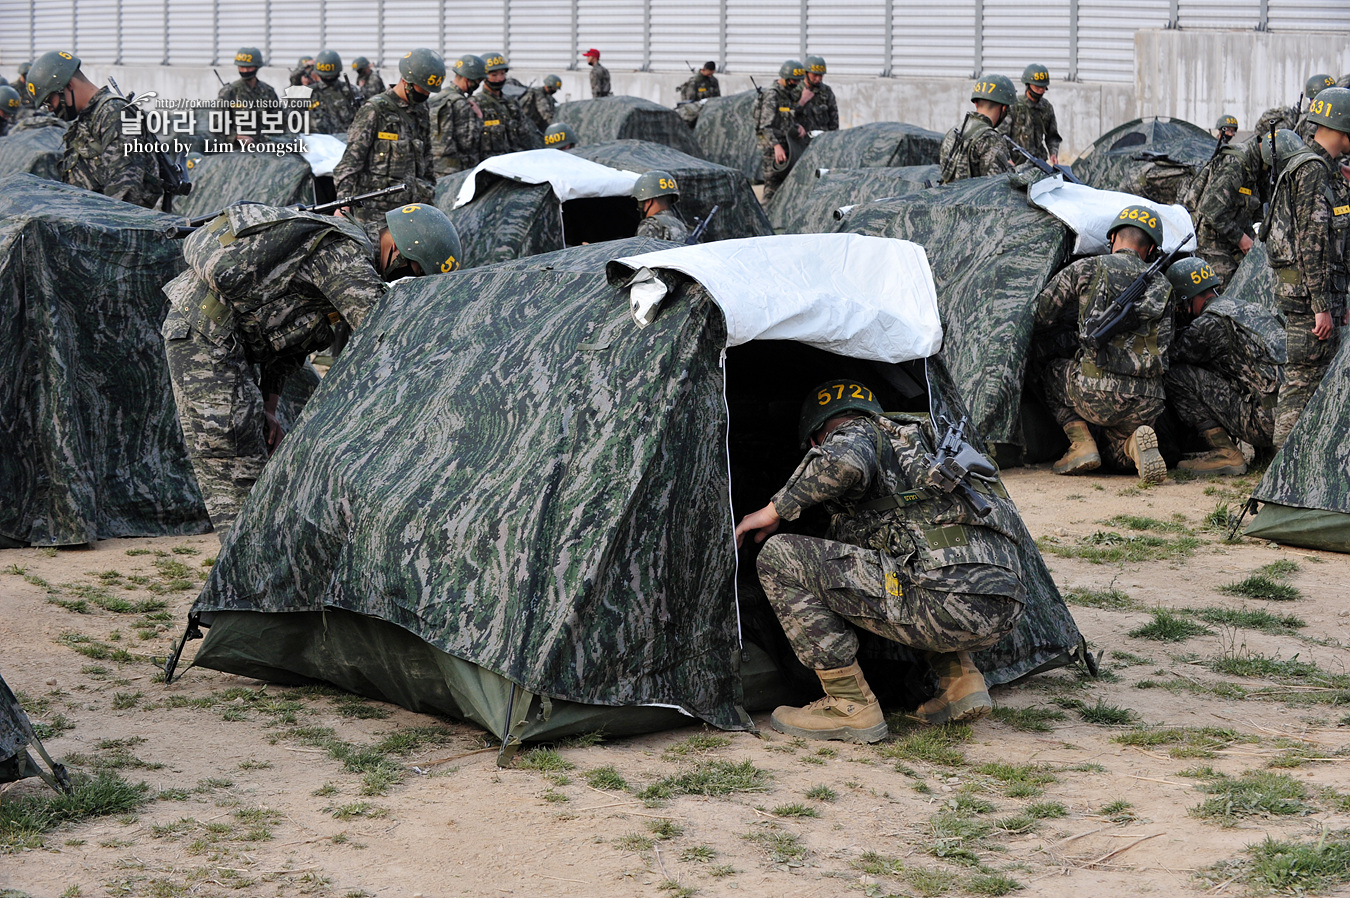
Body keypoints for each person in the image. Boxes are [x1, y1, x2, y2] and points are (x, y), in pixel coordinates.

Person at [734, 380, 1027, 742]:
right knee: (915, 565)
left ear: (814, 441)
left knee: (780, 555)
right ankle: (961, 680)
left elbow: (843, 463)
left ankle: (849, 703)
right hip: (1007, 606)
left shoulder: (854, 433)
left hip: (942, 606)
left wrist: (774, 509)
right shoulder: (929, 437)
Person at [162, 202, 462, 539]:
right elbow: (383, 335)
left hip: (221, 338)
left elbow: (288, 343)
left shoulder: (348, 259)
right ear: (400, 251)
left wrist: (270, 407)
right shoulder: (345, 257)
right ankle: (249, 569)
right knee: (233, 460)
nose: (402, 281)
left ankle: (255, 559)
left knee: (248, 452)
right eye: (412, 273)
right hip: (205, 333)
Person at [1032, 204, 1174, 484]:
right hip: (1148, 400)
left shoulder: (1088, 267)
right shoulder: (1164, 287)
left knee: (1051, 372)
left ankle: (1080, 442)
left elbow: (1041, 313)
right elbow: (1168, 342)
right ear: (1151, 251)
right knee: (1116, 457)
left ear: (1112, 239)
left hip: (1095, 391)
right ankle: (1133, 445)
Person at [1261, 94, 1350, 446]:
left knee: (1316, 384)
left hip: (1320, 297)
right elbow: (1311, 243)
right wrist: (1321, 306)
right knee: (1300, 386)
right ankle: (1281, 478)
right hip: (1309, 303)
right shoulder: (1312, 170)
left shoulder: (1323, 170)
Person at [1164, 257, 1281, 476]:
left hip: (1263, 423)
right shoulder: (1250, 308)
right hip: (1288, 417)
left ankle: (1225, 452)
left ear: (1184, 299)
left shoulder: (1207, 324)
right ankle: (1267, 450)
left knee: (1176, 376)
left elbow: (1171, 357)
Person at [25, 50, 164, 209]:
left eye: (50, 101)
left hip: (111, 226)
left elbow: (125, 192)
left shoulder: (114, 113)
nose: (50, 109)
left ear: (68, 85)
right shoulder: (89, 117)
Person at [333, 48, 443, 222]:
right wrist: (343, 204)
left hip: (411, 210)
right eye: (423, 89)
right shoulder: (375, 110)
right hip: (376, 214)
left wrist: (429, 192)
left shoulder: (421, 110)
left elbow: (427, 157)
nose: (426, 95)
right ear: (406, 81)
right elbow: (349, 163)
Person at [1187, 134, 1264, 288]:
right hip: (1211, 240)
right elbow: (1211, 210)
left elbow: (1259, 204)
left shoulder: (1260, 167)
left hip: (1235, 237)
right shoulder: (1236, 165)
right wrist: (1241, 238)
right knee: (1225, 289)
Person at [939, 75, 1015, 183]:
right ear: (1003, 108)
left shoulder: (954, 130)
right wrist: (1011, 169)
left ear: (975, 103)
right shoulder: (991, 139)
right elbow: (997, 187)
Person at [755, 59, 807, 203]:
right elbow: (765, 126)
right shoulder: (772, 95)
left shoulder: (787, 94)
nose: (797, 84)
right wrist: (776, 147)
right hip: (773, 150)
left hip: (786, 147)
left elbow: (787, 118)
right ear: (786, 77)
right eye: (794, 80)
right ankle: (765, 220)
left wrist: (797, 125)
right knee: (771, 189)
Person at [432, 54, 486, 176]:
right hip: (454, 170)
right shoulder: (461, 103)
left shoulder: (439, 96)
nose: (478, 85)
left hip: (434, 166)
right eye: (478, 81)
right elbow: (467, 143)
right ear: (469, 79)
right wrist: (479, 118)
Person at [998, 64, 1061, 165]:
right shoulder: (1014, 106)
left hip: (1038, 163)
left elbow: (1052, 136)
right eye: (1037, 87)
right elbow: (1001, 136)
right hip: (1016, 163)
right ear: (1028, 84)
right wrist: (1007, 159)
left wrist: (1053, 153)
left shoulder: (1046, 107)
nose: (1040, 90)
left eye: (1043, 87)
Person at [217, 46, 279, 146]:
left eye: (249, 67)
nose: (245, 71)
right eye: (241, 67)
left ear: (257, 67)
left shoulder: (268, 91)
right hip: (236, 148)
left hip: (264, 145)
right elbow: (218, 124)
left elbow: (278, 119)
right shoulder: (229, 92)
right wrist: (236, 137)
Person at [476, 52, 530, 156]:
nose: (499, 79)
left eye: (502, 74)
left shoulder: (512, 103)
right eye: (494, 75)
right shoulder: (476, 104)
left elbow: (524, 136)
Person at [308, 50, 359, 135]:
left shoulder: (349, 91)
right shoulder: (310, 93)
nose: (328, 78)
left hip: (344, 141)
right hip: (318, 142)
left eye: (331, 75)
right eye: (326, 76)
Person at [632, 170, 688, 242]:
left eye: (640, 203)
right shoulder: (681, 226)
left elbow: (641, 251)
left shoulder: (650, 225)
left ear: (649, 201)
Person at [794, 56, 838, 134]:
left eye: (821, 75)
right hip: (802, 139)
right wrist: (802, 101)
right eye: (815, 75)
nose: (818, 78)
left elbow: (833, 118)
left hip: (822, 139)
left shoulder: (826, 91)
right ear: (806, 73)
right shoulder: (795, 91)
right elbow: (788, 116)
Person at [676, 62, 720, 129]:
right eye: (709, 73)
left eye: (712, 73)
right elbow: (689, 102)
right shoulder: (694, 82)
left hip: (710, 112)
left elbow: (717, 97)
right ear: (705, 70)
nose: (711, 75)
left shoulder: (713, 81)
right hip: (696, 114)